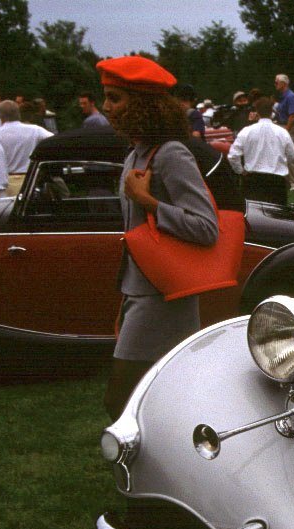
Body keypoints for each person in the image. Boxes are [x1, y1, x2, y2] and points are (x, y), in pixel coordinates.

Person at [96, 55, 219, 420]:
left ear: (143, 105)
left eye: (115, 98)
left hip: (165, 298)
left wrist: (148, 202)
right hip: (144, 291)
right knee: (154, 400)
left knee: (122, 400)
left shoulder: (170, 154)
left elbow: (206, 227)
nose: (106, 107)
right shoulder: (137, 153)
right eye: (106, 97)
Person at [227, 96, 294, 205]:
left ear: (257, 112)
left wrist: (240, 171)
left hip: (253, 180)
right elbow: (292, 155)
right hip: (276, 181)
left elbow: (233, 156)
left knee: (253, 218)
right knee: (277, 217)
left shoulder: (246, 131)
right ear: (272, 112)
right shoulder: (282, 132)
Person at [0, 99, 51, 195]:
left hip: (6, 182)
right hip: (30, 180)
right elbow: (53, 140)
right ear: (18, 113)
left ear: (0, 116)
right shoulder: (35, 130)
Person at [273, 74, 294, 190]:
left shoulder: (290, 96)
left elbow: (292, 116)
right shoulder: (283, 96)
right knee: (284, 155)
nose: (275, 84)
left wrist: (285, 130)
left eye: (276, 82)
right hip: (285, 127)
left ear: (283, 83)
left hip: (292, 128)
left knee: (291, 155)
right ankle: (287, 182)